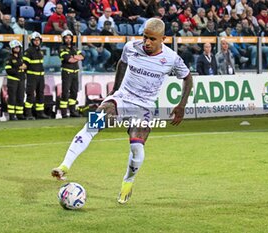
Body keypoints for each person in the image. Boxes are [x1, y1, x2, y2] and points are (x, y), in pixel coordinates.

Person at [51, 18, 193, 204]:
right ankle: (64, 166)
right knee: (93, 124)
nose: (147, 42)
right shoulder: (131, 47)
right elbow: (122, 63)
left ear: (163, 39)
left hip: (144, 106)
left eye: (152, 39)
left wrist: (181, 105)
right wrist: (115, 91)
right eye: (145, 37)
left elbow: (188, 78)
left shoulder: (172, 58)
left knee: (136, 146)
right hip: (122, 98)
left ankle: (128, 180)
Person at [23, 32, 50, 120]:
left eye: (38, 40)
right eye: (35, 40)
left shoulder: (40, 51)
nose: (37, 42)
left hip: (40, 76)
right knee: (30, 94)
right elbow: (25, 65)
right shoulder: (28, 51)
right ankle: (28, 114)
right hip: (32, 76)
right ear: (32, 41)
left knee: (40, 94)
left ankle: (40, 113)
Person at [59, 30, 84, 118]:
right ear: (63, 39)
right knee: (65, 92)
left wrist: (73, 56)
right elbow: (69, 60)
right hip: (67, 72)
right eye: (66, 38)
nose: (68, 39)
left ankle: (73, 111)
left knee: (74, 92)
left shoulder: (74, 48)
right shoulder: (62, 48)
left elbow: (82, 56)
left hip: (75, 72)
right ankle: (64, 113)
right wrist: (75, 57)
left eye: (69, 37)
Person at [5, 40, 26, 121]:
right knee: (12, 98)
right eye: (15, 47)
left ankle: (20, 114)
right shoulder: (9, 58)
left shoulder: (21, 58)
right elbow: (8, 70)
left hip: (21, 80)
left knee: (21, 97)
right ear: (12, 48)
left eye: (18, 47)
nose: (17, 49)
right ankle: (11, 115)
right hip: (12, 81)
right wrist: (19, 69)